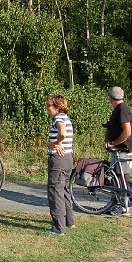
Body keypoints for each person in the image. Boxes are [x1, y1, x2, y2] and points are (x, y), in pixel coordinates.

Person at [103, 86, 132, 216]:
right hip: (121, 149)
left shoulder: (122, 109)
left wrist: (113, 143)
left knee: (122, 177)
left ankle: (124, 205)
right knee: (119, 176)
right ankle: (120, 203)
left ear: (110, 98)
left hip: (123, 149)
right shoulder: (119, 109)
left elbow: (127, 132)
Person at [45, 95, 75, 236]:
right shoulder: (65, 117)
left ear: (57, 107)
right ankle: (70, 221)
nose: (47, 108)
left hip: (58, 160)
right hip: (68, 158)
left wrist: (56, 143)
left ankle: (58, 227)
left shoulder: (58, 118)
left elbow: (62, 132)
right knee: (64, 190)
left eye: (49, 105)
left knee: (55, 191)